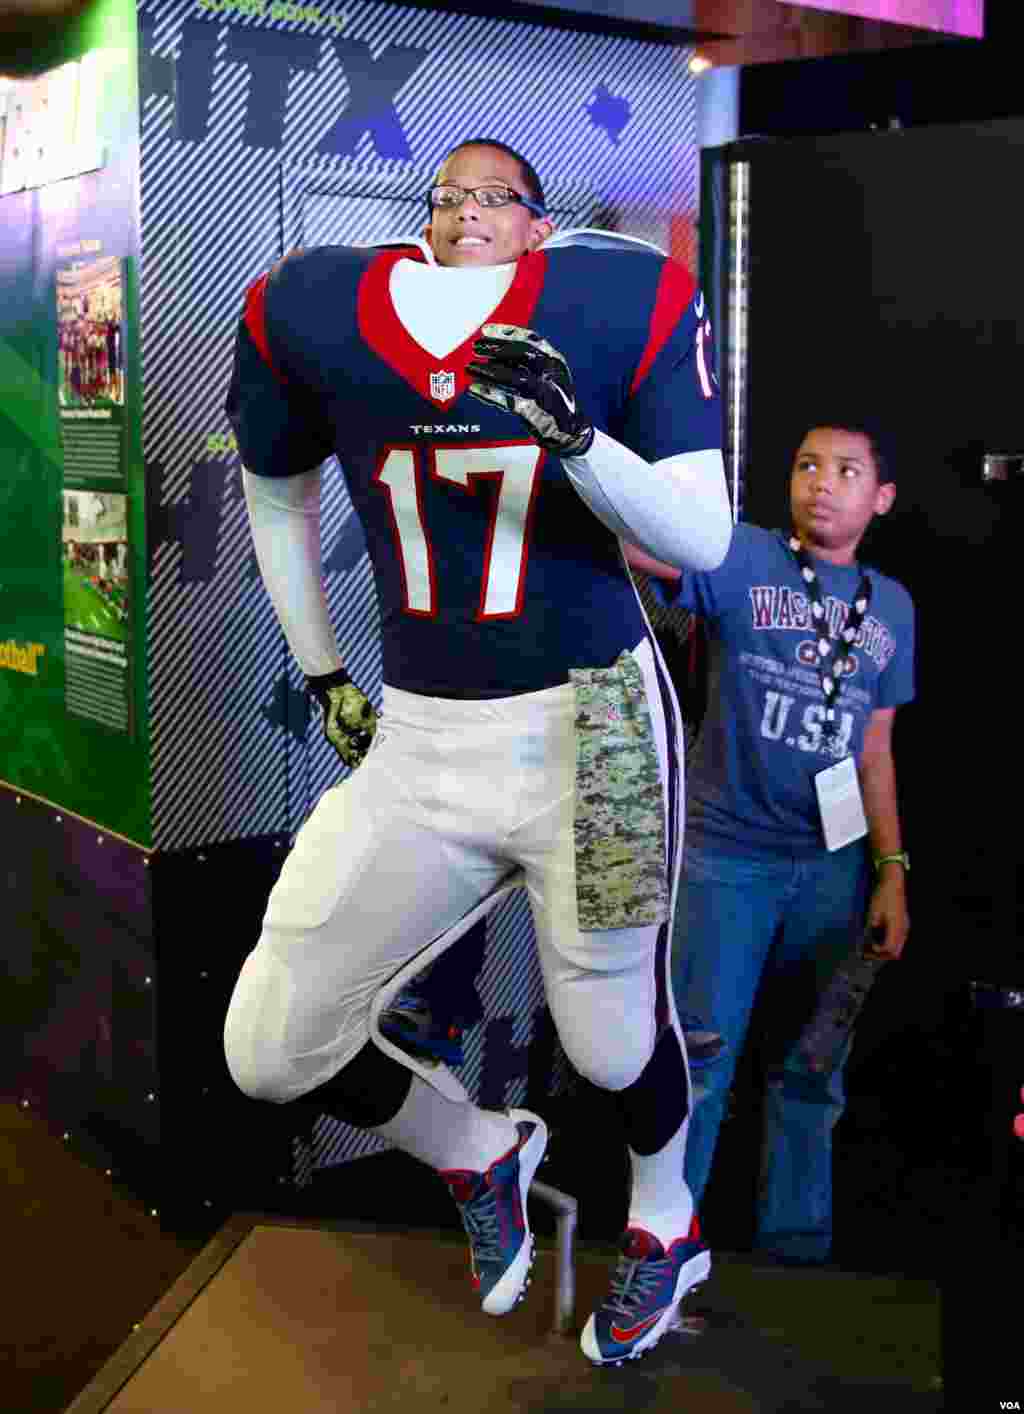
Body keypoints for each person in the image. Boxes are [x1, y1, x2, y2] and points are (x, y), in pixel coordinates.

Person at [222, 137, 732, 1364]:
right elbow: (274, 486)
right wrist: (321, 664)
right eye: (447, 196)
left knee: (612, 1038)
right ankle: (477, 1146)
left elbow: (703, 538)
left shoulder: (618, 297)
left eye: (497, 198)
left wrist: (578, 438)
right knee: (270, 1045)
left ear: (540, 224)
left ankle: (667, 1222)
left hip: (600, 717)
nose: (468, 214)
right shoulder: (312, 308)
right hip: (424, 729)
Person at [633, 421, 914, 1265]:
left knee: (811, 1073)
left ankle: (797, 1257)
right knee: (701, 1063)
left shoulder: (891, 606)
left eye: (846, 470)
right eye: (806, 465)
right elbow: (647, 552)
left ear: (882, 497)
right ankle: (664, 1245)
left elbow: (876, 745)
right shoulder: (742, 557)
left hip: (832, 869)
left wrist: (891, 871)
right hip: (727, 859)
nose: (822, 482)